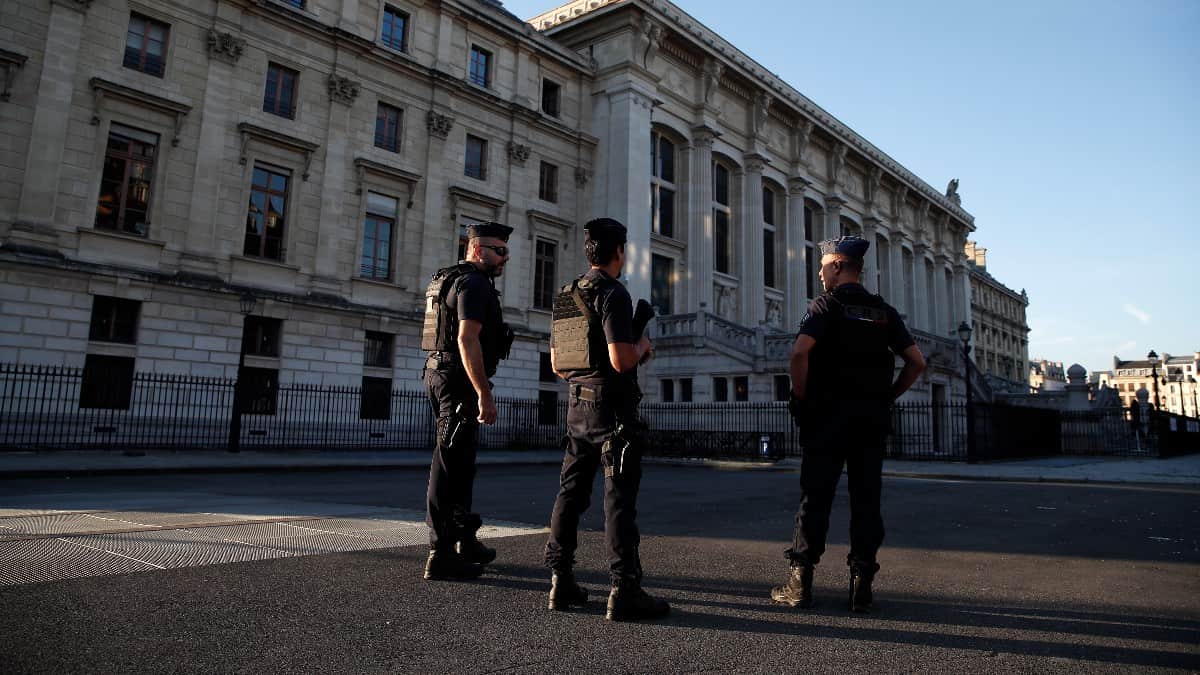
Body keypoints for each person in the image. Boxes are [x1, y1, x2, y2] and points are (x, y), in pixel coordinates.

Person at [772, 235, 926, 613]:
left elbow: (799, 354)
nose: (820, 274)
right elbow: (917, 362)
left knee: (815, 498)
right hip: (870, 421)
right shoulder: (884, 312)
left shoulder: (826, 305)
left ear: (838, 266)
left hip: (827, 418)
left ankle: (800, 583)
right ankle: (862, 586)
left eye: (824, 267)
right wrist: (888, 396)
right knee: (866, 500)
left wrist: (801, 397)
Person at [543, 217, 669, 622]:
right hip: (612, 411)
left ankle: (560, 580)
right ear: (619, 252)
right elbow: (621, 360)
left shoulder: (567, 293)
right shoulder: (613, 292)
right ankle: (624, 588)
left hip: (577, 408)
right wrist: (642, 345)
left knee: (570, 494)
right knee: (619, 500)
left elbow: (558, 365)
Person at [420, 221, 515, 580]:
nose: (505, 258)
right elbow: (466, 339)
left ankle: (464, 540)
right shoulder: (474, 284)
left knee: (461, 461)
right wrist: (483, 393)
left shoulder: (449, 278)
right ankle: (441, 553)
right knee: (448, 465)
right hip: (458, 382)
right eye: (498, 251)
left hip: (440, 373)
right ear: (477, 249)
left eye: (506, 251)